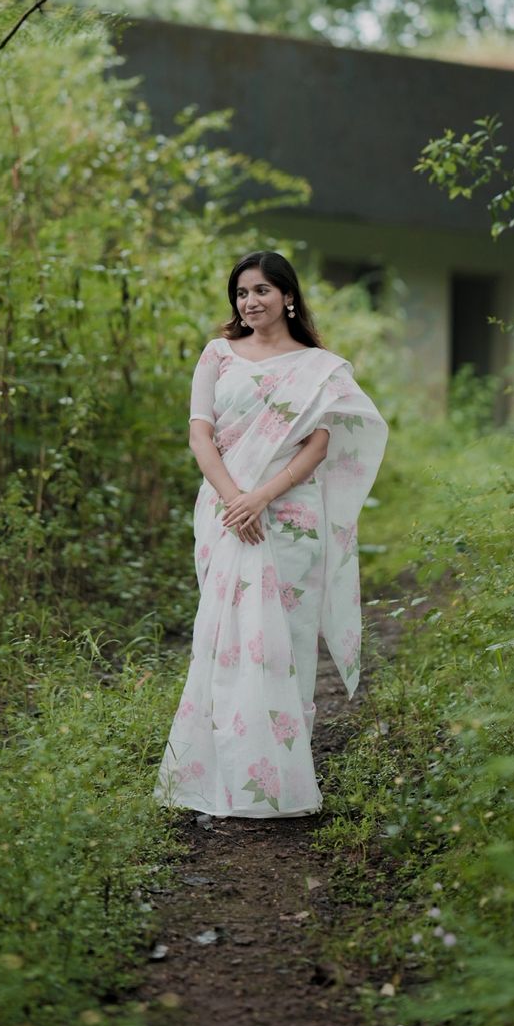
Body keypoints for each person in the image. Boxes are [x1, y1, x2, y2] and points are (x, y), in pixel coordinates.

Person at [154, 250, 388, 819]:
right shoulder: (218, 356)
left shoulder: (319, 366)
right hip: (225, 512)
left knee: (283, 642)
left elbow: (320, 444)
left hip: (290, 518)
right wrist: (237, 498)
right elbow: (200, 436)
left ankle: (279, 773)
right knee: (227, 639)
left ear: (287, 295)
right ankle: (219, 774)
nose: (249, 301)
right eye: (240, 293)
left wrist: (263, 496)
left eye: (261, 290)